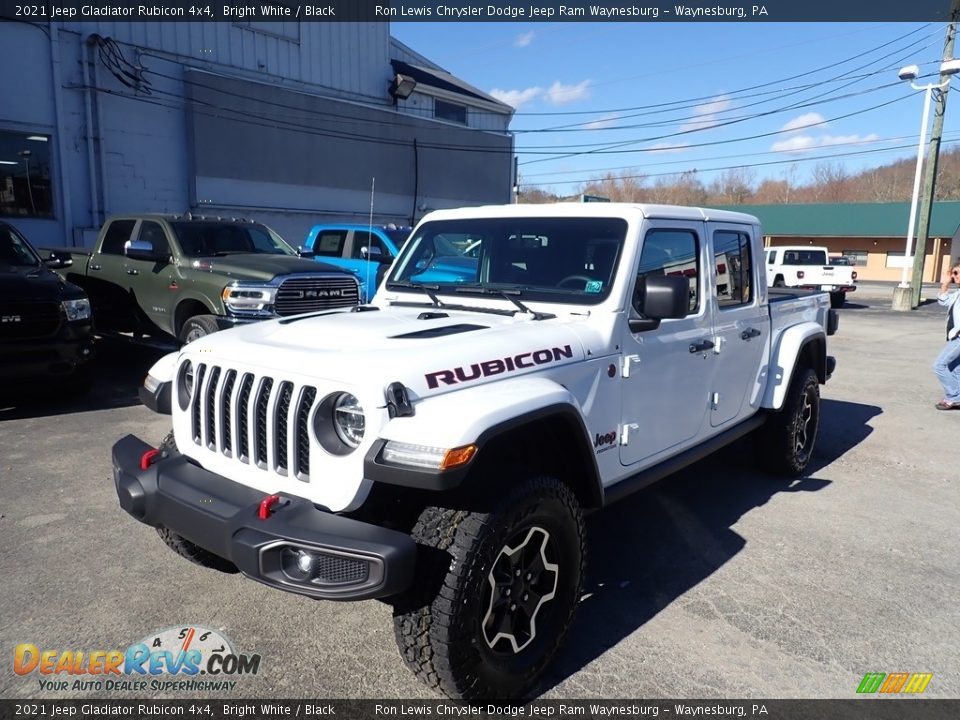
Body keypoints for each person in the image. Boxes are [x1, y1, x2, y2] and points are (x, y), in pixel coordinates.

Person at [933, 261, 960, 409]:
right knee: (955, 368)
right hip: (955, 336)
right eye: (954, 273)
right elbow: (943, 301)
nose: (955, 276)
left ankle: (954, 396)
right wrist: (945, 284)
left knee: (939, 365)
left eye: (957, 273)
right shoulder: (957, 294)